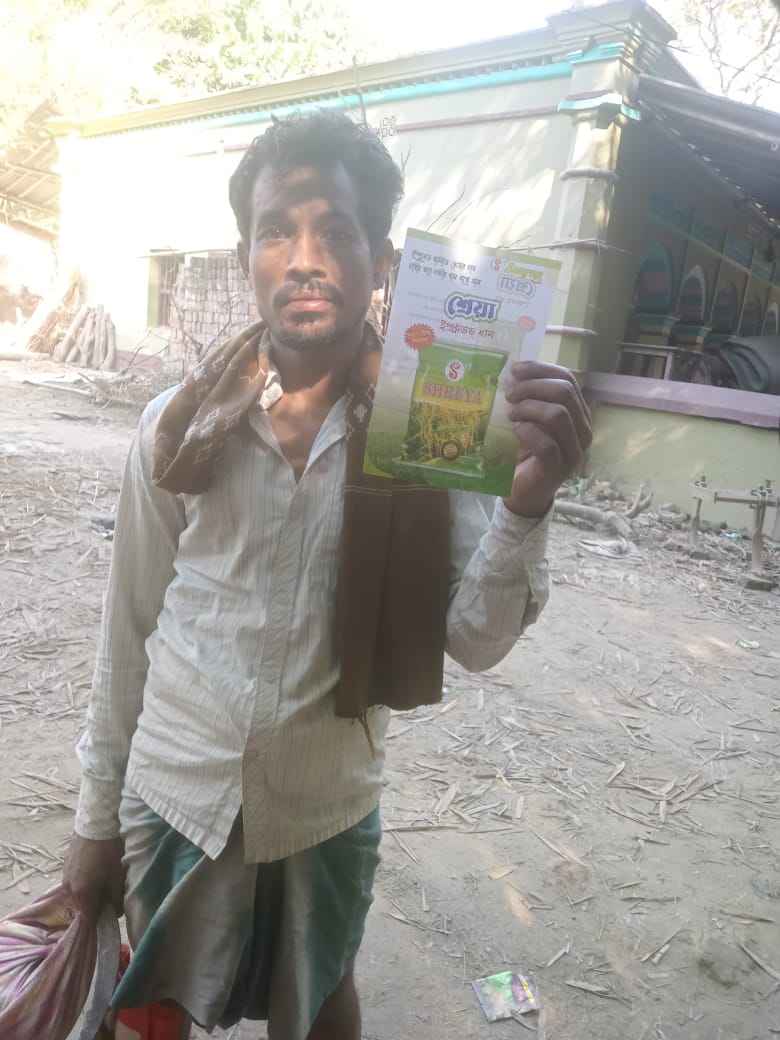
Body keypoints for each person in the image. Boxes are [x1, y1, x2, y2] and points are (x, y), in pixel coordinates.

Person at [63, 111, 592, 1039]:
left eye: (335, 233)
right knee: (147, 1012)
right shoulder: (174, 429)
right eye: (276, 231)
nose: (304, 260)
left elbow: (474, 641)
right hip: (174, 790)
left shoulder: (433, 437)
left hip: (326, 808)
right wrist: (94, 819)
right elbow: (130, 628)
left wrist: (525, 505)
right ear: (246, 258)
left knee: (316, 1005)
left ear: (380, 262)